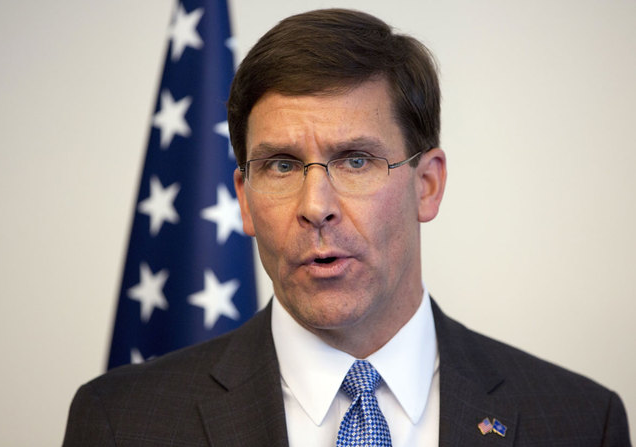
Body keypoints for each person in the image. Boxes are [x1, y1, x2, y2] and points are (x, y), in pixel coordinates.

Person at [63, 9, 630, 446]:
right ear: (243, 198)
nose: (316, 205)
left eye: (355, 160)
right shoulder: (121, 422)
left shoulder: (581, 421)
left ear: (427, 184)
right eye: (281, 165)